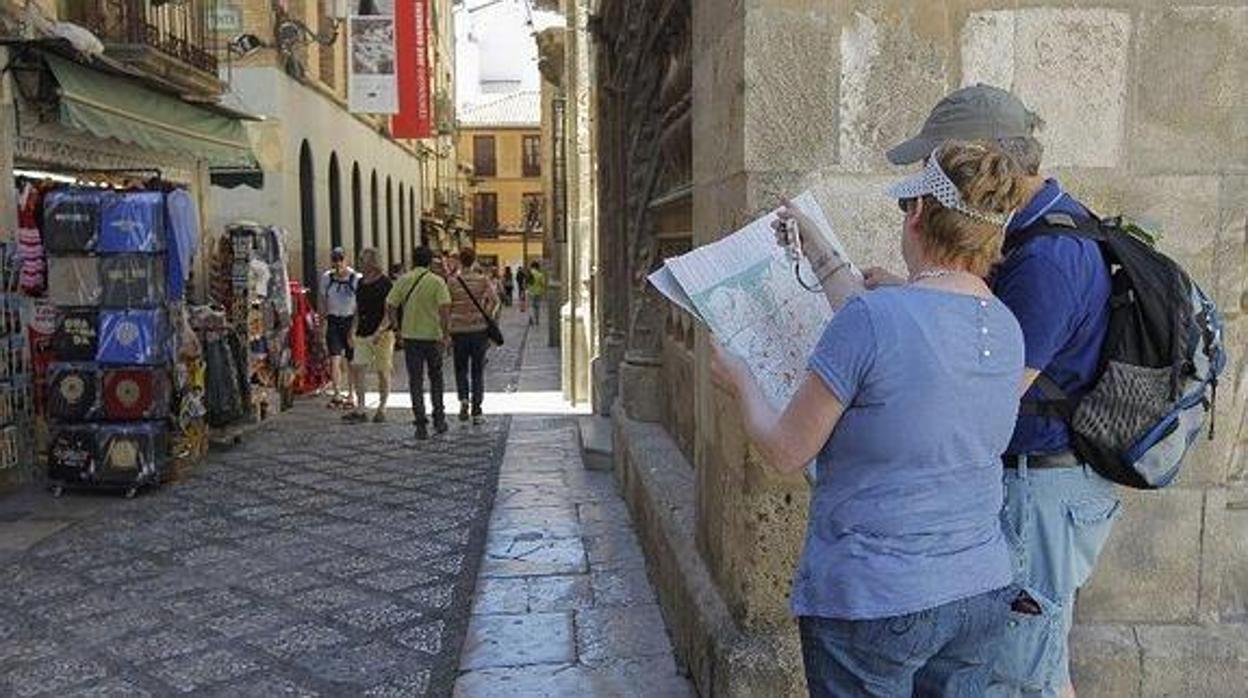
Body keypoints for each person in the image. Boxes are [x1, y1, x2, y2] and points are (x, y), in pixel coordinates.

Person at [712, 141, 1029, 698]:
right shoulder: (1005, 326)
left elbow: (788, 450)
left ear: (917, 215)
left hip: (876, 597)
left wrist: (740, 380)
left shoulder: (877, 317)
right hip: (978, 590)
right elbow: (888, 330)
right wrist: (822, 252)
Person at [877, 84, 1119, 698]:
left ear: (985, 160)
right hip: (1032, 482)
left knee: (1017, 675)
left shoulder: (1049, 258)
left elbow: (988, 393)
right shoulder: (1032, 232)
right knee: (1035, 667)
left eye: (935, 165)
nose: (931, 181)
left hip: (1035, 489)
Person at [386, 246, 452, 440]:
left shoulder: (403, 280)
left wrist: (396, 328)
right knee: (436, 378)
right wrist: (446, 334)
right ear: (429, 261)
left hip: (411, 338)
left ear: (412, 260)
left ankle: (421, 423)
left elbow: (390, 305)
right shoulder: (437, 282)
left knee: (415, 380)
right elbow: (445, 310)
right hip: (433, 337)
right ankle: (439, 419)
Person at [448, 247, 500, 425]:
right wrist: (486, 314)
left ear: (460, 261)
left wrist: (448, 325)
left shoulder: (452, 282)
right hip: (478, 330)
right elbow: (494, 300)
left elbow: (447, 305)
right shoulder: (482, 280)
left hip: (458, 331)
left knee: (460, 368)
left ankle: (463, 399)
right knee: (477, 371)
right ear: (474, 260)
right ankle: (477, 411)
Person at [343, 248, 394, 424]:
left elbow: (390, 312)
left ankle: (382, 408)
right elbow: (358, 309)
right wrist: (352, 330)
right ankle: (361, 408)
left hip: (382, 334)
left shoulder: (386, 283)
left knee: (383, 371)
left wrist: (380, 331)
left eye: (362, 259)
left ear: (372, 262)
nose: (360, 263)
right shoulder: (361, 283)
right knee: (358, 369)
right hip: (363, 333)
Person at [319, 247, 361, 409]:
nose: (338, 263)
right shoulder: (327, 278)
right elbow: (322, 301)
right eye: (335, 260)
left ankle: (351, 394)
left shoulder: (355, 278)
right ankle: (337, 394)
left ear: (346, 260)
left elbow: (359, 306)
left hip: (349, 321)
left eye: (340, 259)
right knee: (334, 359)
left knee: (350, 360)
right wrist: (321, 324)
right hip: (334, 321)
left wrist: (354, 329)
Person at [526, 260, 546, 327]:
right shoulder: (540, 274)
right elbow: (543, 284)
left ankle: (531, 319)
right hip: (538, 292)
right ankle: (537, 320)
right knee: (537, 307)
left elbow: (525, 283)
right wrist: (543, 291)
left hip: (530, 292)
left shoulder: (529, 274)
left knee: (531, 306)